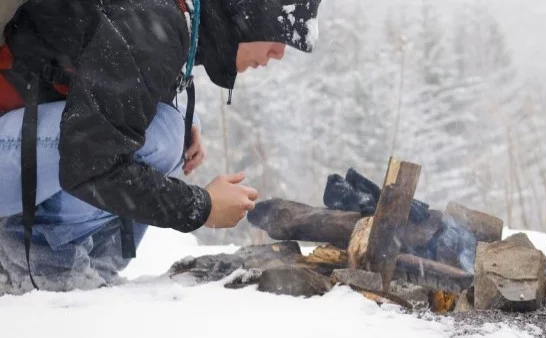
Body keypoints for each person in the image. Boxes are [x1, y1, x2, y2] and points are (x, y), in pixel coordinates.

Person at [0, 0, 321, 294]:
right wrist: (202, 207)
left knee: (169, 130)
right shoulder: (157, 20)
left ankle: (93, 268)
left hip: (18, 141)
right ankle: (39, 264)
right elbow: (90, 162)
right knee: (158, 139)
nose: (279, 52)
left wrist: (175, 118)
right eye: (280, 33)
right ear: (249, 13)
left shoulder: (177, 16)